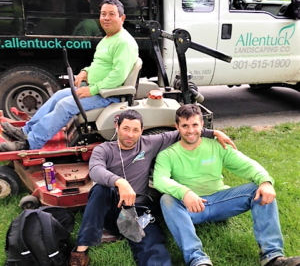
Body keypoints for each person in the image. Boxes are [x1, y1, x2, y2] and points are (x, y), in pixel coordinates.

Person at [67, 109, 236, 266]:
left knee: (152, 245)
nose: (130, 135)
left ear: (142, 131)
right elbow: (95, 170)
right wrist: (120, 182)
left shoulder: (149, 143)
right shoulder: (104, 149)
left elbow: (184, 132)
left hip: (137, 211)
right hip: (112, 210)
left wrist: (214, 132)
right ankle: (81, 251)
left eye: (135, 130)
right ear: (116, 127)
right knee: (100, 189)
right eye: (125, 128)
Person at [153, 104, 300, 266]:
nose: (190, 130)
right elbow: (160, 180)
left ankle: (273, 257)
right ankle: (198, 260)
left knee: (259, 189)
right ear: (177, 127)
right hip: (191, 209)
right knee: (167, 199)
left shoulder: (217, 146)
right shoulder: (167, 154)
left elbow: (247, 164)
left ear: (202, 125)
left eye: (195, 125)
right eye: (185, 126)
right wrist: (185, 192)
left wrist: (265, 181)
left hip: (220, 202)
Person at [0, 0, 138, 152]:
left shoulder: (124, 43)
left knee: (65, 105)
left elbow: (118, 76)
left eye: (111, 14)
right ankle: (25, 131)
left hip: (108, 95)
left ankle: (31, 143)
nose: (106, 18)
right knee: (59, 96)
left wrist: (91, 90)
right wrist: (86, 71)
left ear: (122, 18)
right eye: (103, 14)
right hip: (97, 89)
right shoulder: (108, 39)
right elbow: (100, 64)